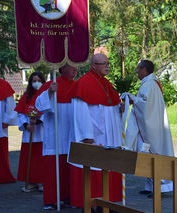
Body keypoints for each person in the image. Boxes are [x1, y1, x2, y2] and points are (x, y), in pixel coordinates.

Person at [68, 53, 123, 208]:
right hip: (95, 135)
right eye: (103, 63)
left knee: (108, 167)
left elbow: (111, 105)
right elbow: (80, 112)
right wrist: (86, 135)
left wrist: (121, 108)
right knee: (94, 169)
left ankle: (108, 203)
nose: (107, 66)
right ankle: (93, 205)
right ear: (93, 65)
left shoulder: (106, 83)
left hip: (109, 136)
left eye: (108, 63)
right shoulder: (84, 83)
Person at [124, 59, 174, 196]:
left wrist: (132, 99)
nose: (136, 71)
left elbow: (144, 106)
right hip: (151, 125)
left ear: (144, 70)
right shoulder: (150, 83)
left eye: (138, 68)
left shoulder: (149, 84)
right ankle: (150, 185)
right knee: (146, 157)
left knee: (151, 156)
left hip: (150, 129)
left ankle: (158, 187)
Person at [35, 63, 77, 210]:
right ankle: (52, 199)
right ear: (61, 69)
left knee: (69, 168)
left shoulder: (78, 85)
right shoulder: (51, 84)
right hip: (55, 133)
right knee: (54, 169)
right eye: (72, 66)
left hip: (71, 133)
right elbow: (39, 105)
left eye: (76, 66)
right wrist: (50, 93)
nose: (75, 69)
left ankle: (68, 197)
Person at [14, 71, 46, 192]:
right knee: (30, 159)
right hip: (29, 133)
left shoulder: (45, 96)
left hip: (41, 132)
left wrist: (37, 122)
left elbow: (48, 113)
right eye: (34, 81)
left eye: (38, 80)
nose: (36, 83)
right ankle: (31, 181)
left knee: (41, 159)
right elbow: (21, 113)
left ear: (42, 82)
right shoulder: (26, 96)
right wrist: (27, 125)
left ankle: (42, 181)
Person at [0, 60, 18, 183]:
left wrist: (7, 120)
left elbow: (11, 105)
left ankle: (3, 176)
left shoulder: (4, 85)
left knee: (0, 151)